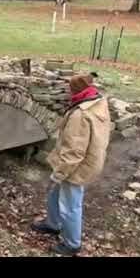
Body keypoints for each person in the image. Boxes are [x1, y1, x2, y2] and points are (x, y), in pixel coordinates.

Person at [31, 72, 111, 256]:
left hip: (76, 168)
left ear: (75, 89)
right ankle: (52, 224)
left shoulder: (80, 115)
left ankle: (72, 243)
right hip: (84, 161)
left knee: (70, 205)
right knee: (54, 193)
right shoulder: (97, 101)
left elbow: (75, 151)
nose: (67, 92)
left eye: (70, 88)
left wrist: (59, 173)